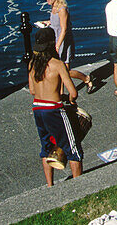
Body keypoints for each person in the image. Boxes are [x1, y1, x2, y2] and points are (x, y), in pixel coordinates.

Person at [28, 27, 82, 185]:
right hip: (54, 110)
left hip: (38, 108)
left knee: (46, 148)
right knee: (73, 149)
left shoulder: (32, 64)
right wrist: (70, 99)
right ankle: (80, 186)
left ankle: (50, 185)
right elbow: (74, 92)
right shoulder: (57, 64)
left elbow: (32, 90)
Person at [43, 0, 94, 93]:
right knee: (59, 70)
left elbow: (64, 29)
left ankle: (85, 78)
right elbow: (58, 22)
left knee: (64, 71)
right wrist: (49, 22)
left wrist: (58, 45)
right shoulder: (53, 7)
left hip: (63, 42)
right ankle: (60, 94)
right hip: (56, 40)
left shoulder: (62, 10)